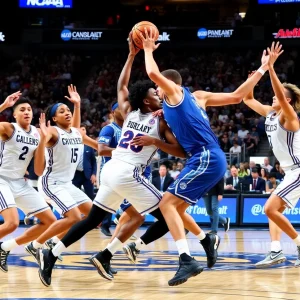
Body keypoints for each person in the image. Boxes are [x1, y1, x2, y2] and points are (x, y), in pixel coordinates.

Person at [36, 34, 188, 287]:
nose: (159, 95)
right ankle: (171, 255)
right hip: (129, 173)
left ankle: (52, 254)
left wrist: (130, 55)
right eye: (155, 93)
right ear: (146, 100)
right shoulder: (160, 121)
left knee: (92, 219)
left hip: (111, 172)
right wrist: (156, 142)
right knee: (170, 216)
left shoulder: (129, 112)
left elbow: (121, 87)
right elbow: (181, 152)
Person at [138, 27, 271, 286]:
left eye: (158, 88)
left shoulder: (174, 93)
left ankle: (186, 260)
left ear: (168, 84)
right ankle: (206, 240)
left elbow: (153, 72)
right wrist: (262, 69)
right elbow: (236, 96)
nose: (157, 91)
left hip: (205, 157)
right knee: (176, 209)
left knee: (166, 204)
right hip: (207, 158)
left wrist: (147, 49)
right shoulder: (197, 97)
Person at [24, 85, 98, 265]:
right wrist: (42, 137)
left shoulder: (74, 132)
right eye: (61, 111)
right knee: (73, 217)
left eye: (68, 110)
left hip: (67, 184)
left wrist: (78, 105)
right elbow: (46, 139)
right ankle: (35, 245)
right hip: (52, 182)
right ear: (54, 118)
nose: (67, 112)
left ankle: (53, 242)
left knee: (93, 216)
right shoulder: (52, 131)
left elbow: (75, 126)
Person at [243, 42, 300, 268]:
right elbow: (248, 99)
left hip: (298, 171)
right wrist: (253, 80)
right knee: (273, 212)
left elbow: (279, 93)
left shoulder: (290, 117)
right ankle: (276, 250)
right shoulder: (270, 112)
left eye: (278, 97)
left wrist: (270, 68)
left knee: (269, 208)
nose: (273, 98)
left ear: (288, 100)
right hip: (289, 172)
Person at [0, 93, 58, 273]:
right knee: (12, 224)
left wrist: (42, 141)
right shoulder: (8, 128)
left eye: (29, 110)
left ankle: (6, 247)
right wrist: (3, 105)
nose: (27, 112)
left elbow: (39, 171)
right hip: (2, 179)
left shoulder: (36, 133)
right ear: (14, 115)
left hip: (20, 182)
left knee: (50, 221)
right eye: (22, 110)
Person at [97, 102, 123, 237]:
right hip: (111, 173)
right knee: (105, 206)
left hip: (125, 173)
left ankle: (122, 223)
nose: (125, 109)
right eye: (120, 108)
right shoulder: (109, 129)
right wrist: (123, 152)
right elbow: (101, 150)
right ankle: (106, 225)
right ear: (113, 113)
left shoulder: (131, 129)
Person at [72, 124, 97, 201]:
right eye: (81, 129)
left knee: (90, 196)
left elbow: (94, 161)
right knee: (75, 197)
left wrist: (93, 174)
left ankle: (90, 212)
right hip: (75, 174)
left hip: (88, 174)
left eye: (84, 129)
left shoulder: (89, 145)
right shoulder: (72, 144)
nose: (83, 131)